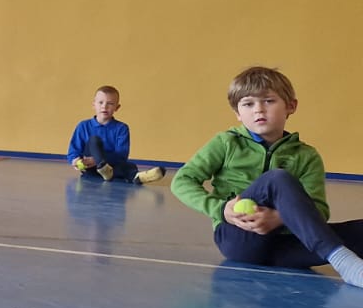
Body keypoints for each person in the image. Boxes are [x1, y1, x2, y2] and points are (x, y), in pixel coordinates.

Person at [172, 66, 363, 289]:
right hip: (239, 240)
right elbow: (182, 180)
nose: (258, 110)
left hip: (286, 246)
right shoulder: (226, 143)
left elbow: (319, 210)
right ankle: (343, 262)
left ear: (291, 106)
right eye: (248, 104)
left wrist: (279, 218)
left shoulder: (306, 155)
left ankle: (334, 257)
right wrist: (221, 209)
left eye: (269, 101)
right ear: (237, 112)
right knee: (277, 179)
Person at [66, 85, 166, 184]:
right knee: (94, 140)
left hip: (111, 167)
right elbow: (73, 151)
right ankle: (104, 168)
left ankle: (137, 177)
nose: (104, 106)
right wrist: (76, 161)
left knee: (129, 166)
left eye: (110, 103)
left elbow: (122, 155)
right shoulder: (83, 126)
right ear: (93, 105)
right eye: (100, 102)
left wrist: (100, 160)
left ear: (117, 107)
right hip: (90, 168)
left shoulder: (122, 128)